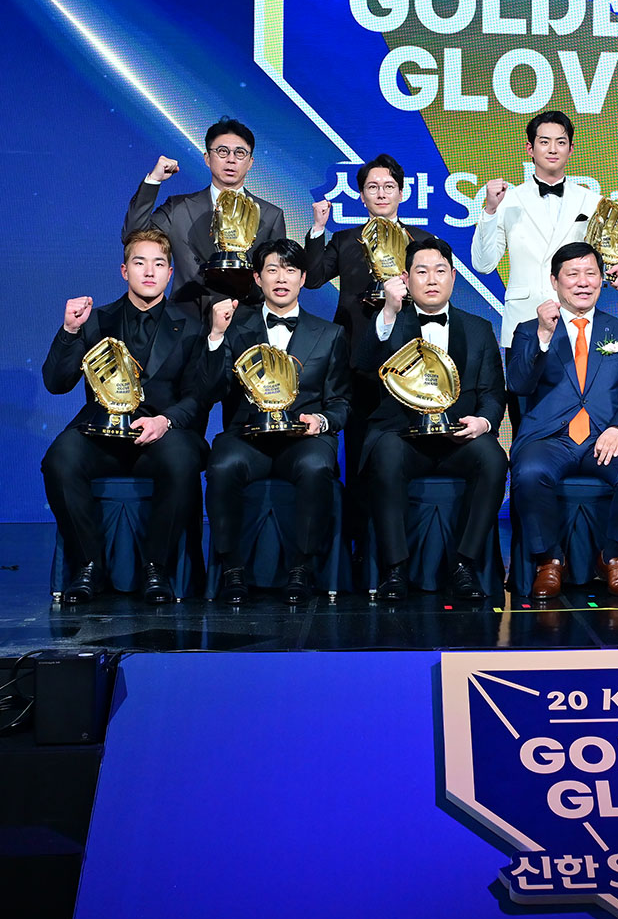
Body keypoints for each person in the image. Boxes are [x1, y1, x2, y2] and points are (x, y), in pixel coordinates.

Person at [41, 230, 210, 604]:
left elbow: (197, 396)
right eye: (139, 262)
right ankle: (88, 566)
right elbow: (56, 383)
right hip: (101, 435)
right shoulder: (95, 320)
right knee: (59, 458)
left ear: (169, 273)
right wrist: (70, 330)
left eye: (158, 264)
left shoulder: (192, 326)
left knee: (182, 459)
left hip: (160, 436)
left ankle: (156, 568)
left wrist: (164, 422)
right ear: (124, 270)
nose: (149, 272)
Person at [355, 238, 507, 603]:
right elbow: (363, 366)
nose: (432, 279)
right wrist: (388, 311)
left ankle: (464, 565)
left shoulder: (479, 328)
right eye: (421, 272)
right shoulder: (390, 320)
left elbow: (492, 392)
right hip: (403, 436)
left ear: (453, 276)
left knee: (493, 458)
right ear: (406, 279)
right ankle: (395, 569)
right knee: (386, 454)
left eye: (440, 271)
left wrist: (484, 423)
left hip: (458, 438)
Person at [203, 239, 350, 606]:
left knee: (317, 466)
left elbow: (340, 403)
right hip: (247, 436)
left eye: (290, 270)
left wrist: (321, 420)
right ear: (257, 278)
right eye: (272, 270)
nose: (281, 278)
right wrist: (216, 337)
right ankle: (232, 570)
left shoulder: (330, 334)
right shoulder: (234, 327)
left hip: (303, 439)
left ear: (303, 278)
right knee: (221, 465)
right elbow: (212, 389)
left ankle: (302, 569)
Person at [508, 242, 618, 599]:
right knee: (529, 472)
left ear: (602, 280)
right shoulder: (529, 329)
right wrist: (543, 336)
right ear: (554, 281)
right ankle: (549, 560)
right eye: (572, 274)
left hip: (604, 436)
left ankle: (614, 556)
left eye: (591, 273)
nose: (583, 282)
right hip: (549, 438)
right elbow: (518, 384)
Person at [304, 154, 434, 547]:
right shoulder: (346, 240)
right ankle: (360, 545)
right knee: (359, 451)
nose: (381, 193)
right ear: (361, 196)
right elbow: (312, 279)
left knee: (405, 448)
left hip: (409, 360)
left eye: (388, 186)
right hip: (356, 359)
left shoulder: (422, 242)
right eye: (372, 187)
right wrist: (318, 229)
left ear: (402, 193)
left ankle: (405, 541)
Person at [470, 111, 618, 350]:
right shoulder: (507, 201)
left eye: (560, 142)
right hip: (524, 319)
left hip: (575, 319)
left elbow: (610, 256)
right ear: (530, 149)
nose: (552, 149)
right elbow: (483, 264)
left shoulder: (593, 202)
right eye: (544, 142)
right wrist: (489, 210)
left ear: (571, 149)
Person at [122, 117, 287, 315]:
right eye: (222, 151)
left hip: (246, 321)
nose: (231, 159)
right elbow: (132, 237)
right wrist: (154, 180)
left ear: (250, 162)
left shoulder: (270, 215)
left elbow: (278, 277)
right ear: (207, 158)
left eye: (240, 153)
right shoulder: (179, 208)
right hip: (185, 319)